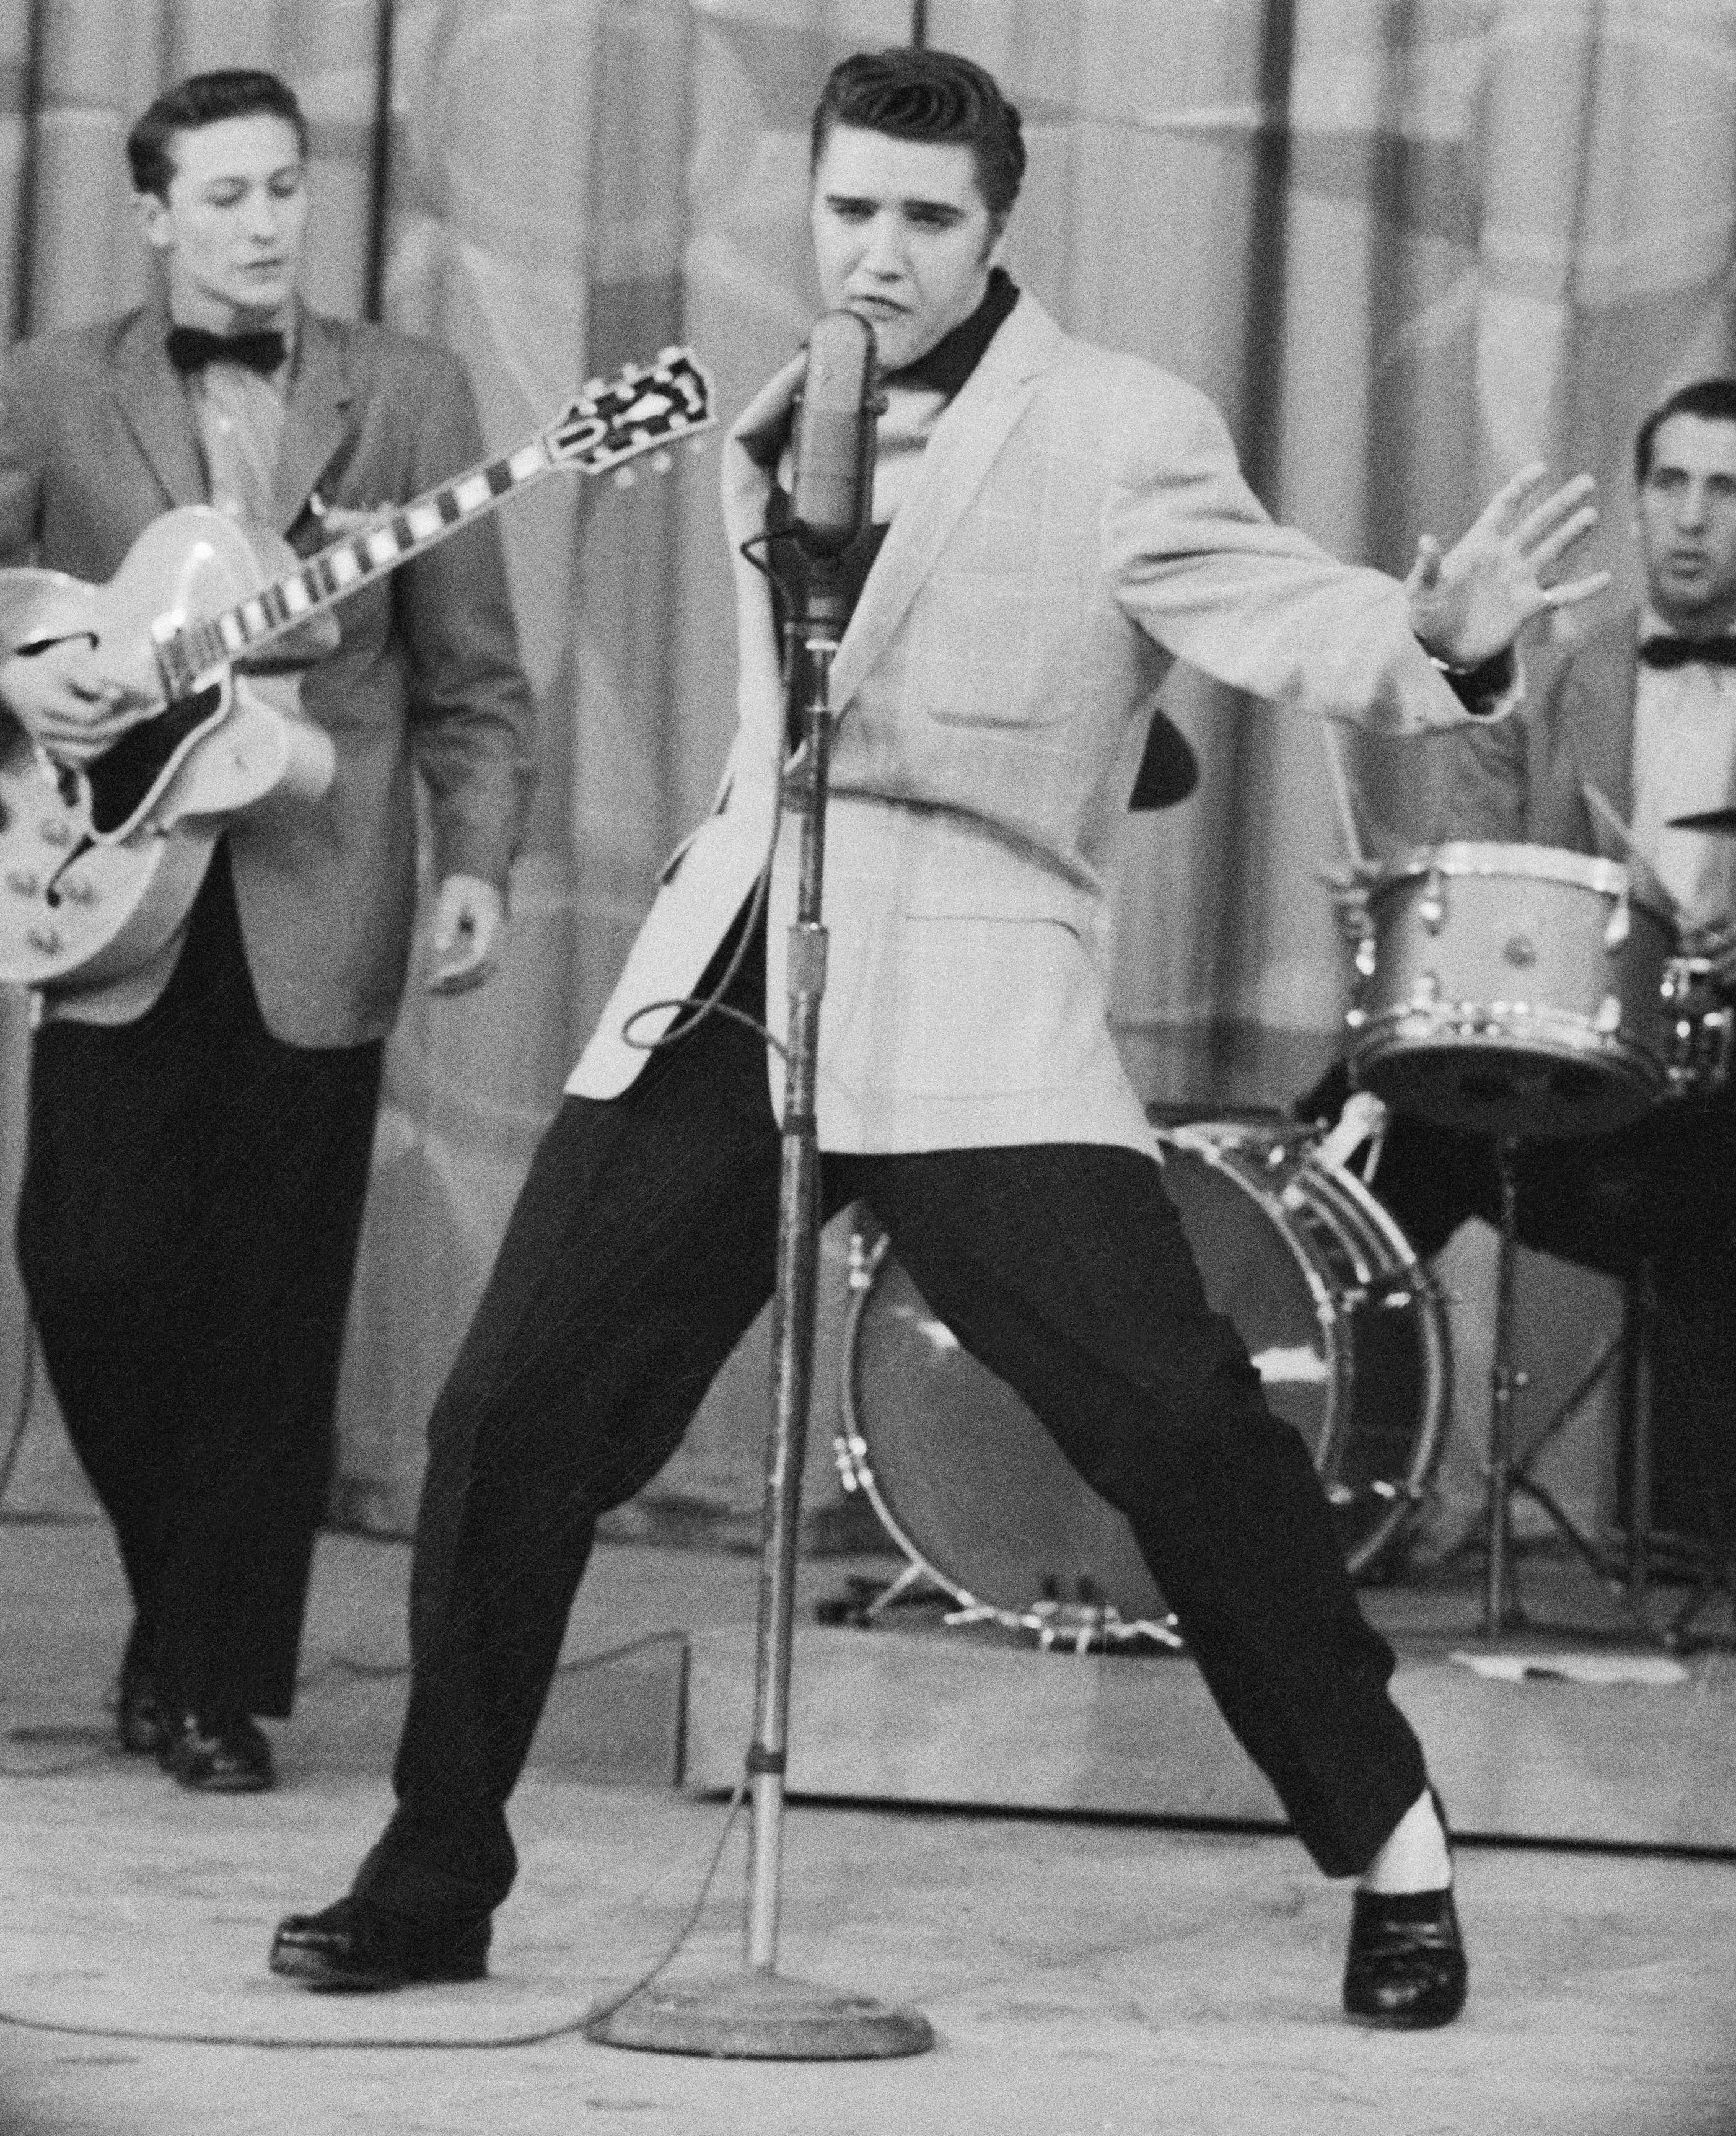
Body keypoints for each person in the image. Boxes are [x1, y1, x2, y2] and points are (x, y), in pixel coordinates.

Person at [271, 48, 1605, 2023]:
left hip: (974, 983)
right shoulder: (773, 415)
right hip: (737, 974)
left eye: (924, 221)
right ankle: (434, 1870)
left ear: (997, 229)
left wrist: (1447, 641)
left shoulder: (1117, 424)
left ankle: (1391, 1846)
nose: (879, 256)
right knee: (506, 1420)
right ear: (808, 209)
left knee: (1176, 1425)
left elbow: (1284, 611)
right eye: (849, 213)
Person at [2, 71, 536, 1794]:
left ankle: (214, 1681)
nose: (262, 223)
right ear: (154, 214)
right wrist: (39, 668)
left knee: (269, 1308)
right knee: (89, 1270)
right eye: (224, 196)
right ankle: (186, 1618)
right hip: (107, 894)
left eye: (284, 191)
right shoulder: (49, 387)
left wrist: (478, 858)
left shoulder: (411, 393)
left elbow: (470, 675)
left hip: (323, 884)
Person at [1307, 377, 1736, 1567]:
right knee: (1374, 1113)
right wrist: (1402, 895)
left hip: (1721, 1123)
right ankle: (1305, 1486)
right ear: (1639, 502)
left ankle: (1697, 1546)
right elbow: (1476, 870)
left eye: (1724, 488)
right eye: (1668, 484)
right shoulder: (1538, 684)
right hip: (1584, 1093)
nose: (1690, 517)